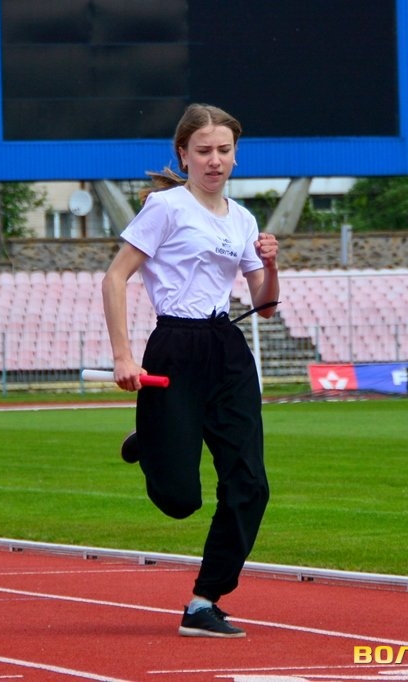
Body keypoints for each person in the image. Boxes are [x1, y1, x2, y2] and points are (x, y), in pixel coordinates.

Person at [101, 103, 280, 638]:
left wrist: (271, 263)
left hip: (226, 348)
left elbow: (266, 308)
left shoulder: (243, 219)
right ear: (183, 154)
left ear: (235, 155)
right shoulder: (166, 207)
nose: (214, 160)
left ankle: (205, 601)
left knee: (250, 485)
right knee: (180, 500)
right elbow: (114, 278)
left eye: (224, 150)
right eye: (203, 151)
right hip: (175, 346)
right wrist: (123, 357)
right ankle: (155, 439)